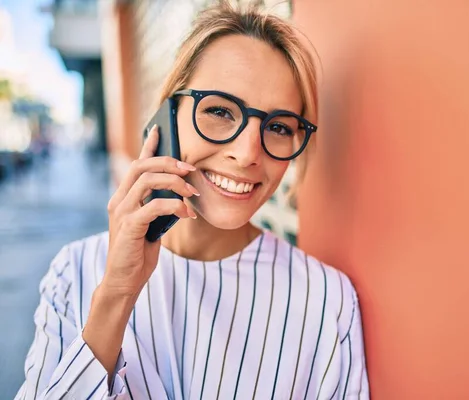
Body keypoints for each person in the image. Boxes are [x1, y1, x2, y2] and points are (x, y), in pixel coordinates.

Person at [16, 2, 369, 399]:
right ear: (168, 116)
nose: (249, 152)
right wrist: (116, 294)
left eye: (279, 127)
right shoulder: (75, 273)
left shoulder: (325, 301)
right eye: (219, 110)